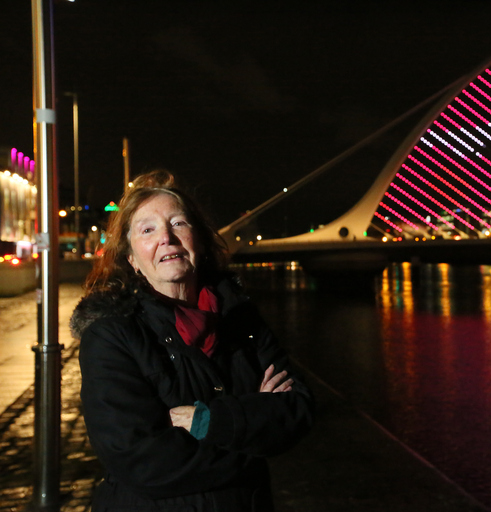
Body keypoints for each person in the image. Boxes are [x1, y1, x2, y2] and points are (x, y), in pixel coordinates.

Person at [71, 170, 314, 511]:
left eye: (179, 223)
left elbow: (298, 409)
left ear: (198, 239)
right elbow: (141, 463)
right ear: (131, 259)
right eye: (147, 230)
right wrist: (253, 430)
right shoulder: (112, 336)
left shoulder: (241, 320)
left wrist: (209, 423)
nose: (166, 238)